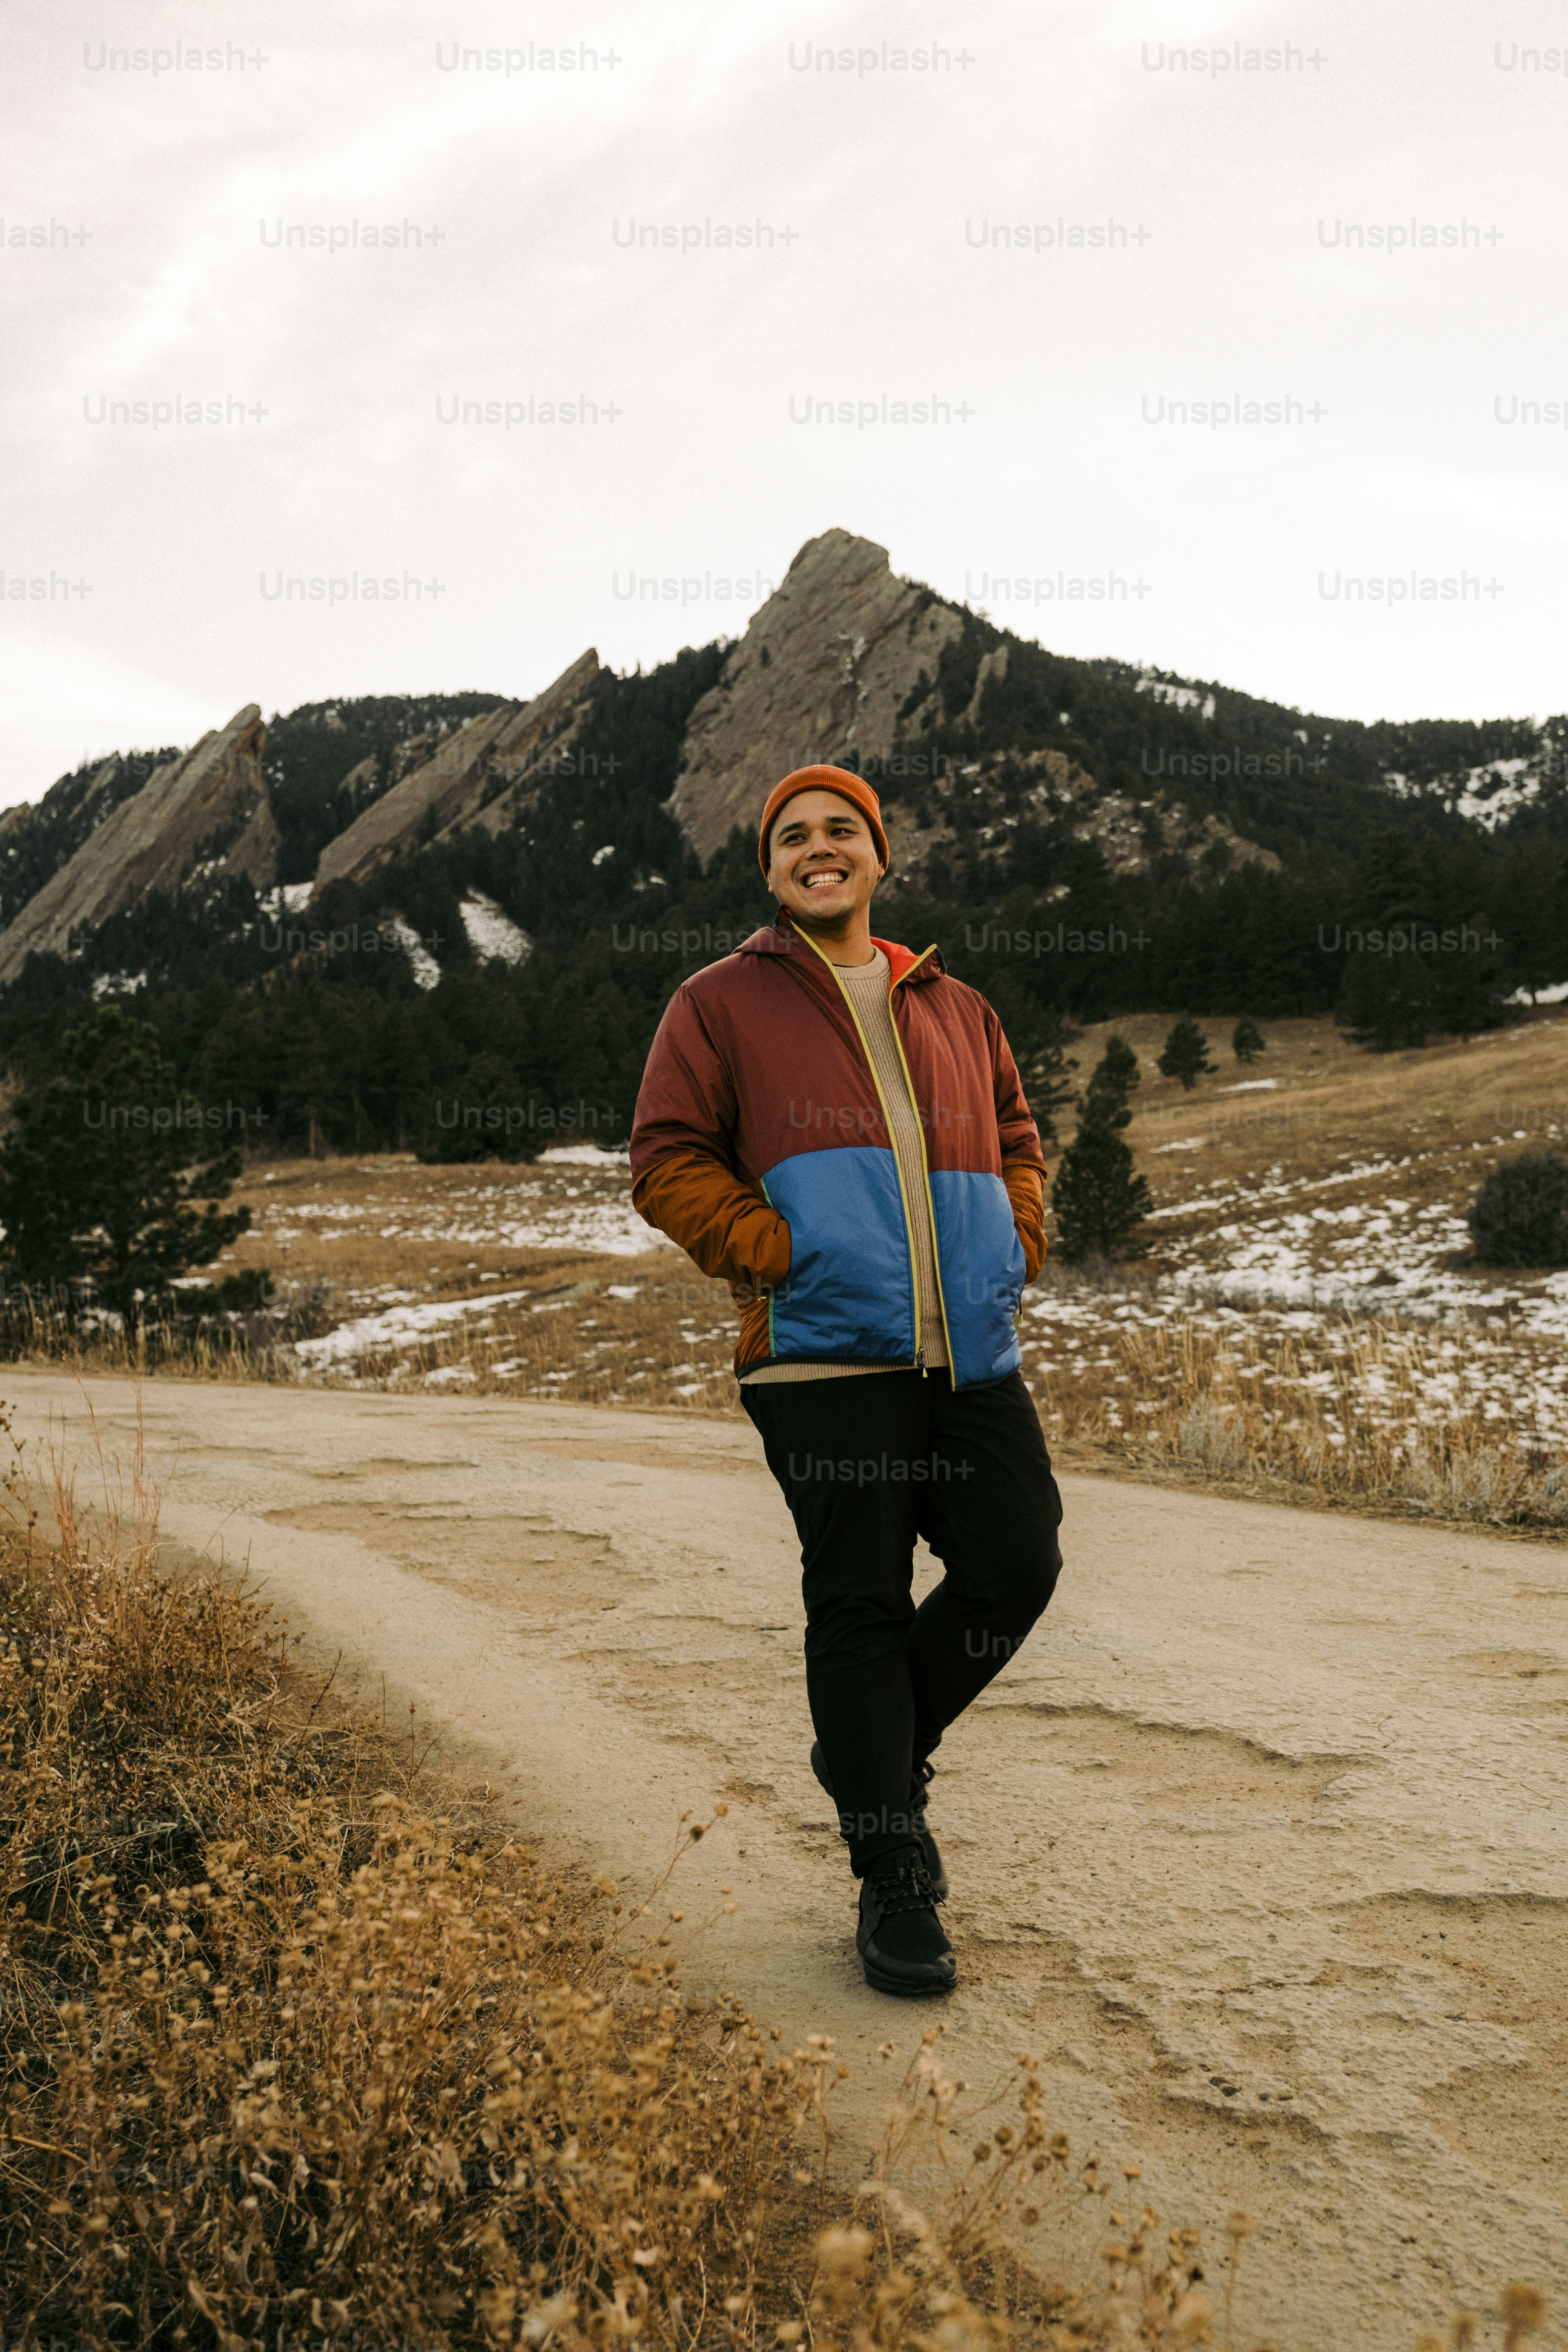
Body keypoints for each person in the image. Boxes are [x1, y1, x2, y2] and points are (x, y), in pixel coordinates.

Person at [629, 765, 1063, 1996]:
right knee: (861, 1601)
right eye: (794, 838)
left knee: (1017, 1561)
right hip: (821, 1358)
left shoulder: (958, 1006)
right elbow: (666, 1156)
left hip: (969, 1351)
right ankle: (894, 1872)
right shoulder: (721, 1003)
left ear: (881, 856)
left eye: (842, 832)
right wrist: (778, 1251)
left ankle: (867, 1756)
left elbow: (1020, 1134)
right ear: (771, 872)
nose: (820, 850)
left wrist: (1016, 1241)